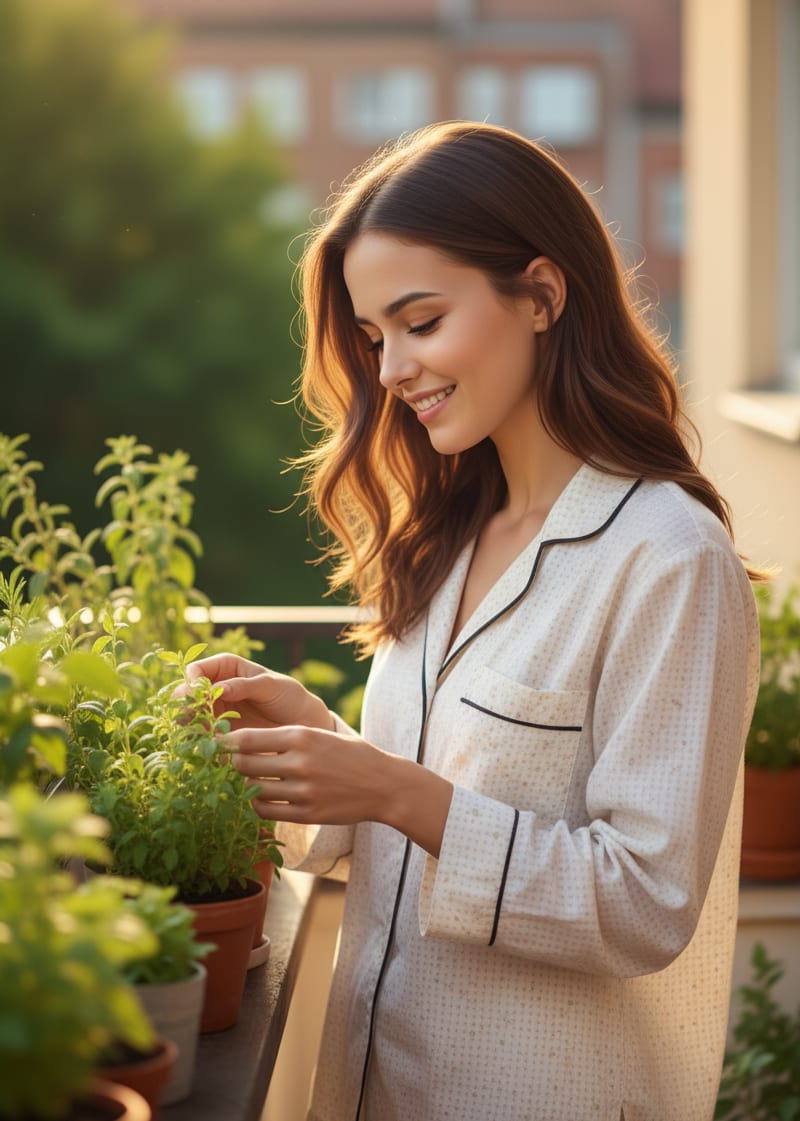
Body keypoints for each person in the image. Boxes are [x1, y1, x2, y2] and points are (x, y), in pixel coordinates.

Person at [188, 122, 762, 1121]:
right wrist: (319, 750)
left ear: (540, 294)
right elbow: (442, 801)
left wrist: (397, 789)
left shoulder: (667, 560)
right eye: (373, 337)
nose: (390, 368)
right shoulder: (449, 532)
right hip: (376, 1082)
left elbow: (643, 901)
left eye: (420, 320)